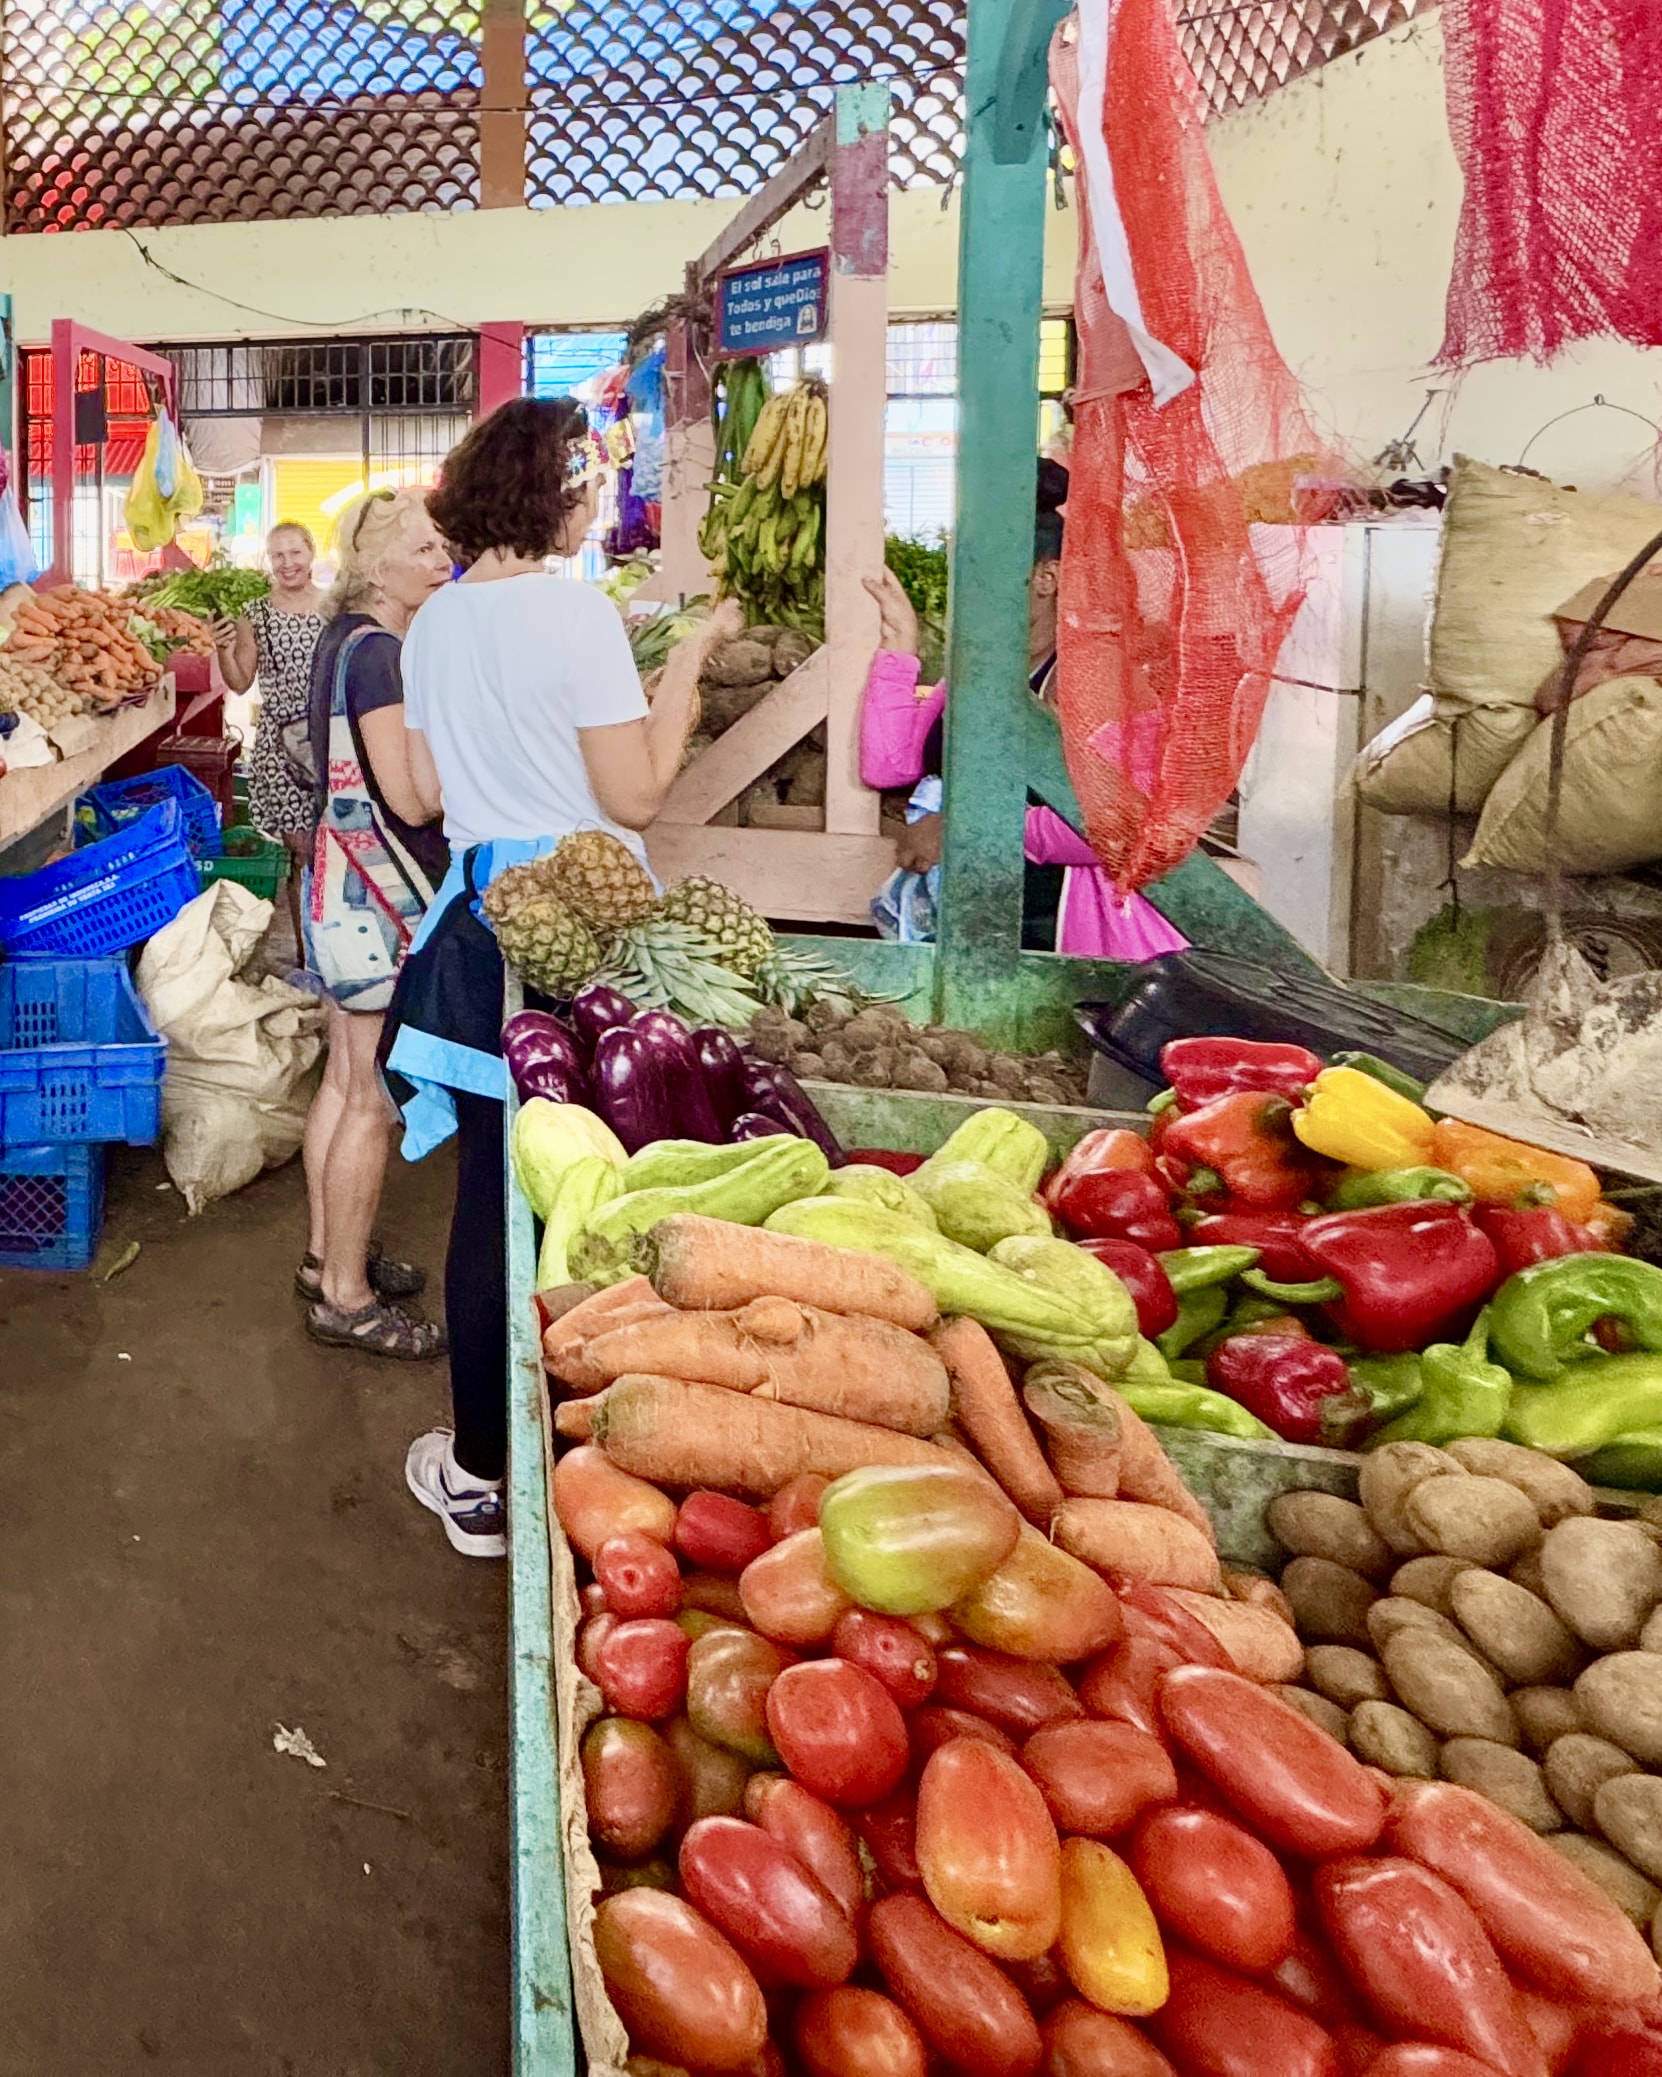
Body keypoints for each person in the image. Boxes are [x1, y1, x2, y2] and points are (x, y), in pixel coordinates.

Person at [383, 396, 742, 1558]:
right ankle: (607, 1461)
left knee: (498, 1190)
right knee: (612, 1183)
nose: (596, 504)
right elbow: (634, 796)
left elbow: (428, 798)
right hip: (592, 922)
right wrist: (687, 661)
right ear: (558, 496)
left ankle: (482, 1475)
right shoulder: (581, 617)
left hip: (485, 921)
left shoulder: (432, 625)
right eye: (588, 488)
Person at [861, 462, 1187, 961]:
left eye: (977, 569)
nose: (962, 587)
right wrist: (901, 649)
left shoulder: (1096, 675)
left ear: (1047, 577)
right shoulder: (984, 669)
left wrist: (961, 826)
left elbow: (1120, 827)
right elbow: (890, 765)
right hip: (985, 933)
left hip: (1074, 943)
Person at [299, 488, 454, 1359]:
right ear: (377, 566)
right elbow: (410, 795)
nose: (443, 561)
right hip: (377, 899)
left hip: (335, 886)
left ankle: (326, 1257)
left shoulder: (342, 641)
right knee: (371, 1101)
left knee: (339, 1084)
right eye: (426, 549)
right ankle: (346, 1299)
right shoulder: (386, 655)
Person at [213, 522, 326, 952]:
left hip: (330, 744)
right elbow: (240, 682)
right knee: (303, 851)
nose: (287, 563)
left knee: (334, 848)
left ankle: (330, 948)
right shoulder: (254, 612)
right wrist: (223, 648)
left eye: (295, 553)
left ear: (311, 554)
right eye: (278, 555)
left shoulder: (334, 606)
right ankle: (307, 951)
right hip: (281, 749)